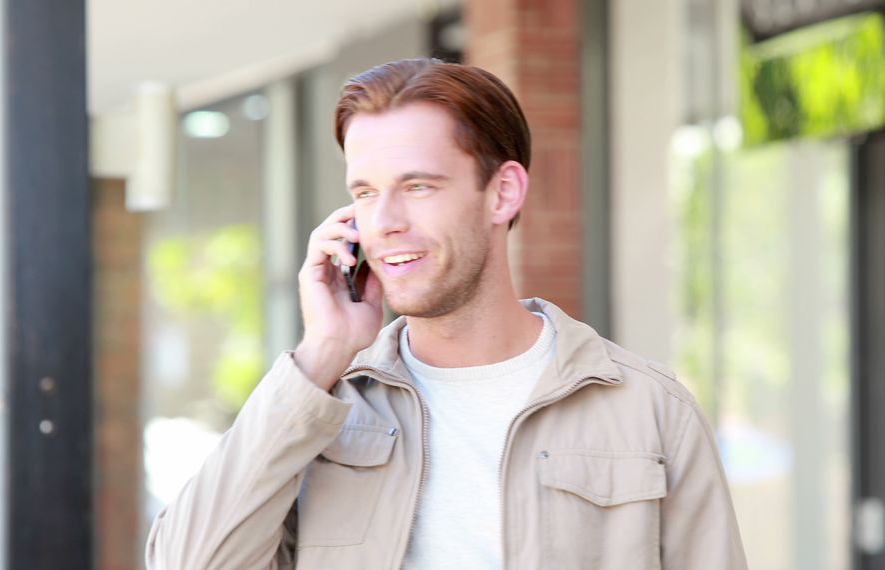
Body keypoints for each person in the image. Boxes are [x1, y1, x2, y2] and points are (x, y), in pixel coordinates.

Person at [145, 58, 746, 570]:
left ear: (503, 193)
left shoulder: (649, 411)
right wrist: (323, 351)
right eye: (364, 192)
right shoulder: (322, 413)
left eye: (418, 186)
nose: (383, 223)